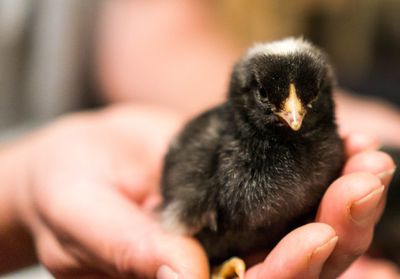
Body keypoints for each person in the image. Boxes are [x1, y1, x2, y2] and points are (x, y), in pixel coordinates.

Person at [0, 1, 399, 278]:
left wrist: (378, 121)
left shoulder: (327, 147)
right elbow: (183, 208)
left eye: (307, 100)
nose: (294, 114)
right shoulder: (216, 154)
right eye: (272, 98)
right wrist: (18, 190)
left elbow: (158, 36)